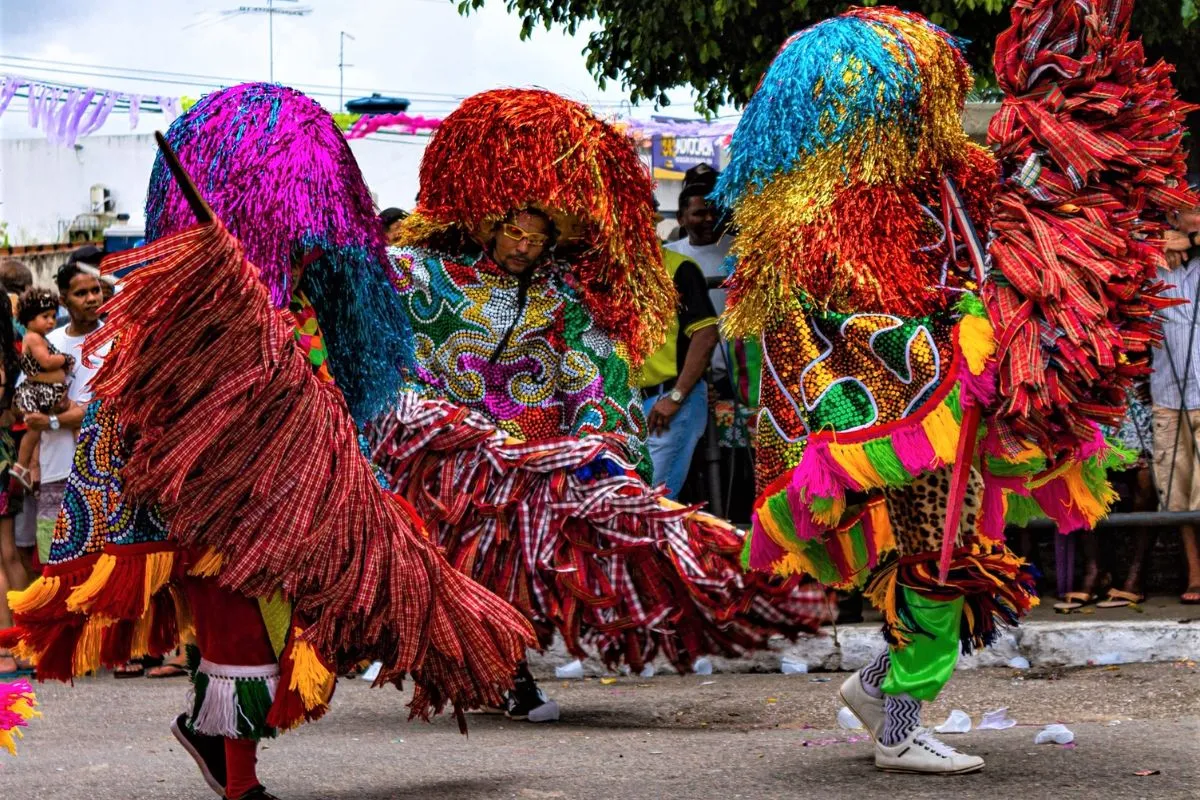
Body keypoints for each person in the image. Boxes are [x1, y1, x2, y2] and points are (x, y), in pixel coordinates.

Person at [0, 83, 534, 800]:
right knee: (242, 631)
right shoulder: (199, 302)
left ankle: (217, 744)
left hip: (287, 498)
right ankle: (237, 776)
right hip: (216, 508)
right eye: (299, 237)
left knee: (276, 629)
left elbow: (329, 384)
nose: (311, 252)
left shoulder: (301, 306)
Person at [720, 5, 1178, 774]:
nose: (906, 113)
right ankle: (898, 727)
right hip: (896, 418)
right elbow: (802, 332)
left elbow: (1017, 227)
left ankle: (878, 692)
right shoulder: (804, 213)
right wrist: (932, 348)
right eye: (885, 99)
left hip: (964, 402)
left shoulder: (957, 174)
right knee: (940, 560)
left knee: (949, 557)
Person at [379, 88, 828, 723]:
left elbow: (593, 375)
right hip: (448, 455)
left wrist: (601, 447)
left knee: (517, 571)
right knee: (454, 571)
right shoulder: (422, 275)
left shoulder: (563, 293)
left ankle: (510, 675)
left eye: (538, 239)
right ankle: (467, 663)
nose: (523, 248)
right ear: (484, 220)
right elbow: (374, 330)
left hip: (531, 458)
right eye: (512, 233)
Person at [638, 247, 719, 498]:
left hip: (669, 402)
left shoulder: (678, 268)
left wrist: (676, 396)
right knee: (634, 499)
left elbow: (705, 335)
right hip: (634, 400)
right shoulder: (619, 270)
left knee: (652, 501)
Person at [1150, 198, 1200, 605]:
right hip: (1168, 396)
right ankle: (1194, 574)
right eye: (1194, 211)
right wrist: (1155, 243)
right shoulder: (1150, 268)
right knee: (1178, 493)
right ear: (1173, 217)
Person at [10, 288, 76, 490]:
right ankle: (82, 454)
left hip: (47, 390)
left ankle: (23, 466)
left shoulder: (40, 337)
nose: (51, 321)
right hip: (44, 392)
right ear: (29, 318)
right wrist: (65, 359)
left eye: (54, 316)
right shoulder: (34, 338)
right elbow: (46, 362)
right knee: (77, 414)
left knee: (34, 432)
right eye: (45, 316)